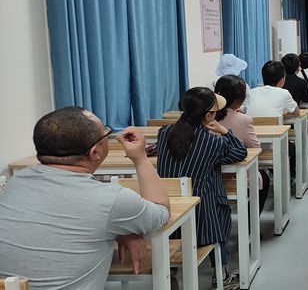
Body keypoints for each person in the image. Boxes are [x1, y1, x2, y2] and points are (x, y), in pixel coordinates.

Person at [0, 107, 170, 289]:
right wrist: (140, 158)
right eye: (105, 132)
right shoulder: (112, 199)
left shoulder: (16, 182)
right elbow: (161, 211)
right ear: (94, 152)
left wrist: (120, 227)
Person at [157, 88, 247, 289]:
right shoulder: (212, 142)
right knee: (220, 206)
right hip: (201, 214)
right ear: (208, 116)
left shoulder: (164, 133)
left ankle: (171, 273)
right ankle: (221, 273)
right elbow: (240, 152)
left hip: (167, 207)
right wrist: (224, 131)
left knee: (211, 185)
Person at [214, 75, 270, 212]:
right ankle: (251, 221)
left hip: (208, 175)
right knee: (263, 178)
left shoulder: (207, 117)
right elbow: (255, 149)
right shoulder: (244, 120)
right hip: (235, 175)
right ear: (239, 100)